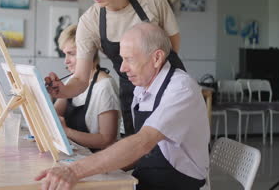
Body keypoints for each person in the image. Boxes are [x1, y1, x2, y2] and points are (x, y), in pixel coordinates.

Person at [36, 23, 210, 190]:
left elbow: (142, 142)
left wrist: (74, 170)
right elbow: (139, 152)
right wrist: (97, 168)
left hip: (178, 184)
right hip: (147, 177)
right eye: (121, 59)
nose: (122, 68)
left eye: (129, 59)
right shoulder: (142, 87)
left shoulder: (180, 89)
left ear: (157, 58)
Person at [45, 0, 185, 136]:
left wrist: (154, 76)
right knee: (139, 154)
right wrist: (61, 90)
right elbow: (80, 79)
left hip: (169, 86)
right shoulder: (89, 22)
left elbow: (173, 47)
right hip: (132, 92)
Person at [54, 24, 120, 152]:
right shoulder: (71, 80)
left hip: (99, 161)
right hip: (76, 154)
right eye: (65, 54)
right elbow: (55, 113)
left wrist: (66, 131)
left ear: (88, 53)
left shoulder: (105, 86)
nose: (65, 61)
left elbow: (107, 140)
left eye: (71, 54)